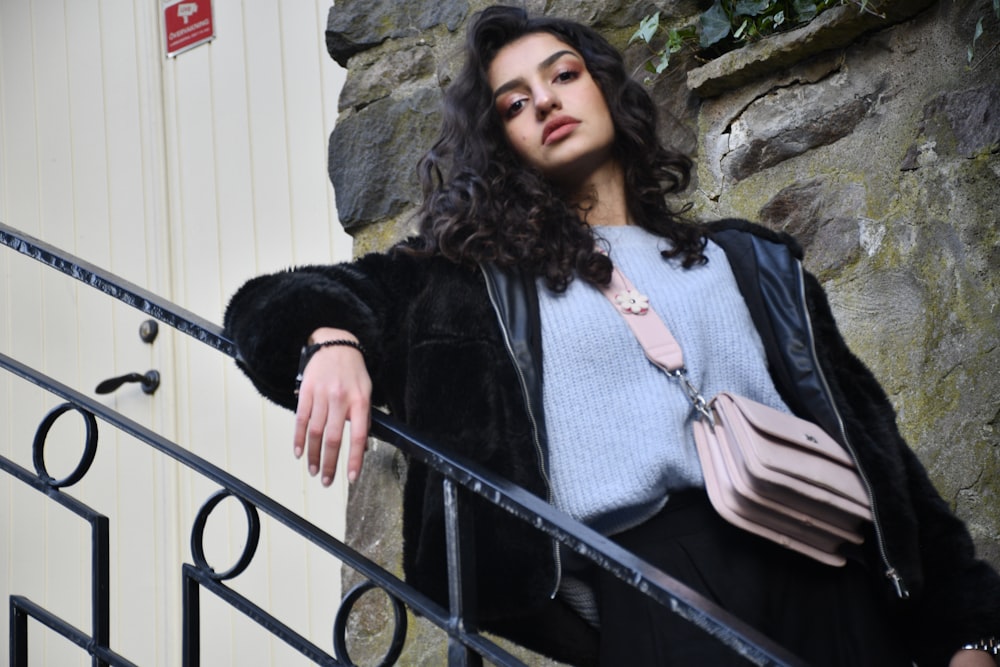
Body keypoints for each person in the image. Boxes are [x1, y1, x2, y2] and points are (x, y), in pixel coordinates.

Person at [223, 5, 1000, 666]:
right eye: (513, 103)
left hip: (833, 565)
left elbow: (881, 453)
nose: (545, 103)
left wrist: (971, 630)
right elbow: (268, 303)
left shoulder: (750, 259)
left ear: (605, 89)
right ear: (500, 142)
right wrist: (329, 340)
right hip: (659, 583)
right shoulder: (468, 281)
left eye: (563, 75)